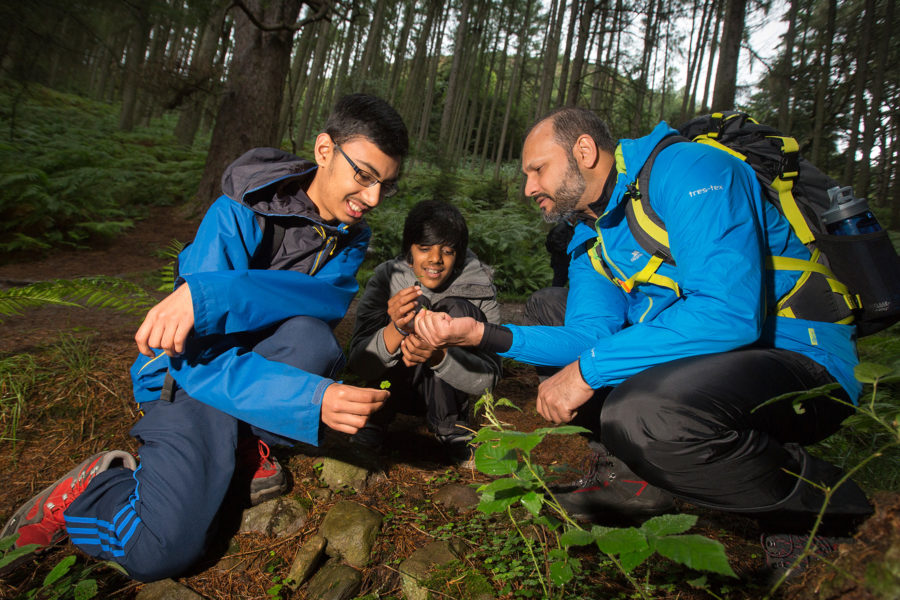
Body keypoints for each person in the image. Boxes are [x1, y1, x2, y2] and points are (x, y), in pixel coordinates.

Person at [413, 107, 872, 566]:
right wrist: (479, 333)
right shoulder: (590, 233)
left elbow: (727, 313)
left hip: (798, 356)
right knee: (550, 308)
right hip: (708, 360)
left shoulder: (690, 169)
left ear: (585, 151)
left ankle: (820, 507)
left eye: (538, 169)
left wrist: (589, 371)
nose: (529, 187)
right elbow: (587, 336)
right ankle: (633, 481)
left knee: (641, 415)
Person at [1, 94, 409, 581]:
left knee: (314, 342)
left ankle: (242, 441)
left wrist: (212, 294)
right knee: (161, 552)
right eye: (364, 174)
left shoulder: (349, 234)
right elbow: (196, 356)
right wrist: (308, 396)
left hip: (248, 367)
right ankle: (95, 489)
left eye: (386, 184)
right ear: (324, 150)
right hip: (188, 375)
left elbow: (324, 301)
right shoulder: (237, 211)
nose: (374, 198)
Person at [347, 200, 501, 463]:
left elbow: (490, 378)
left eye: (448, 251)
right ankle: (375, 420)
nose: (435, 260)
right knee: (415, 306)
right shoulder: (387, 278)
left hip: (452, 390)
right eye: (424, 248)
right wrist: (396, 328)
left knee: (457, 309)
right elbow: (358, 364)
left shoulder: (479, 286)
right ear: (409, 250)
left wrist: (439, 355)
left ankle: (451, 427)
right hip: (393, 386)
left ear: (459, 255)